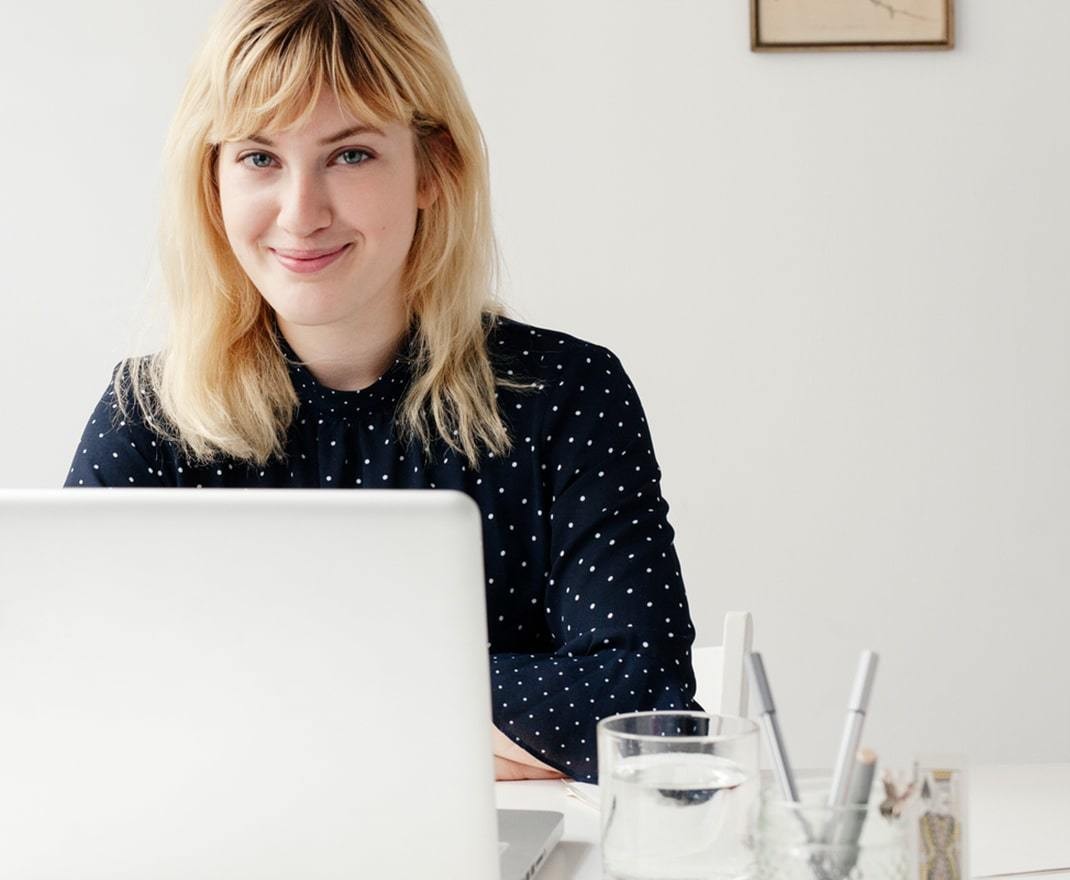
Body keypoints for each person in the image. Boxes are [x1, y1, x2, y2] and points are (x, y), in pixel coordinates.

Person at [66, 0, 697, 783]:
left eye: (350, 155)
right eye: (260, 158)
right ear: (212, 182)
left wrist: (269, 710)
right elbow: (81, 702)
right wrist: (468, 728)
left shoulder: (565, 395)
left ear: (435, 169)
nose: (301, 215)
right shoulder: (150, 413)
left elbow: (645, 708)